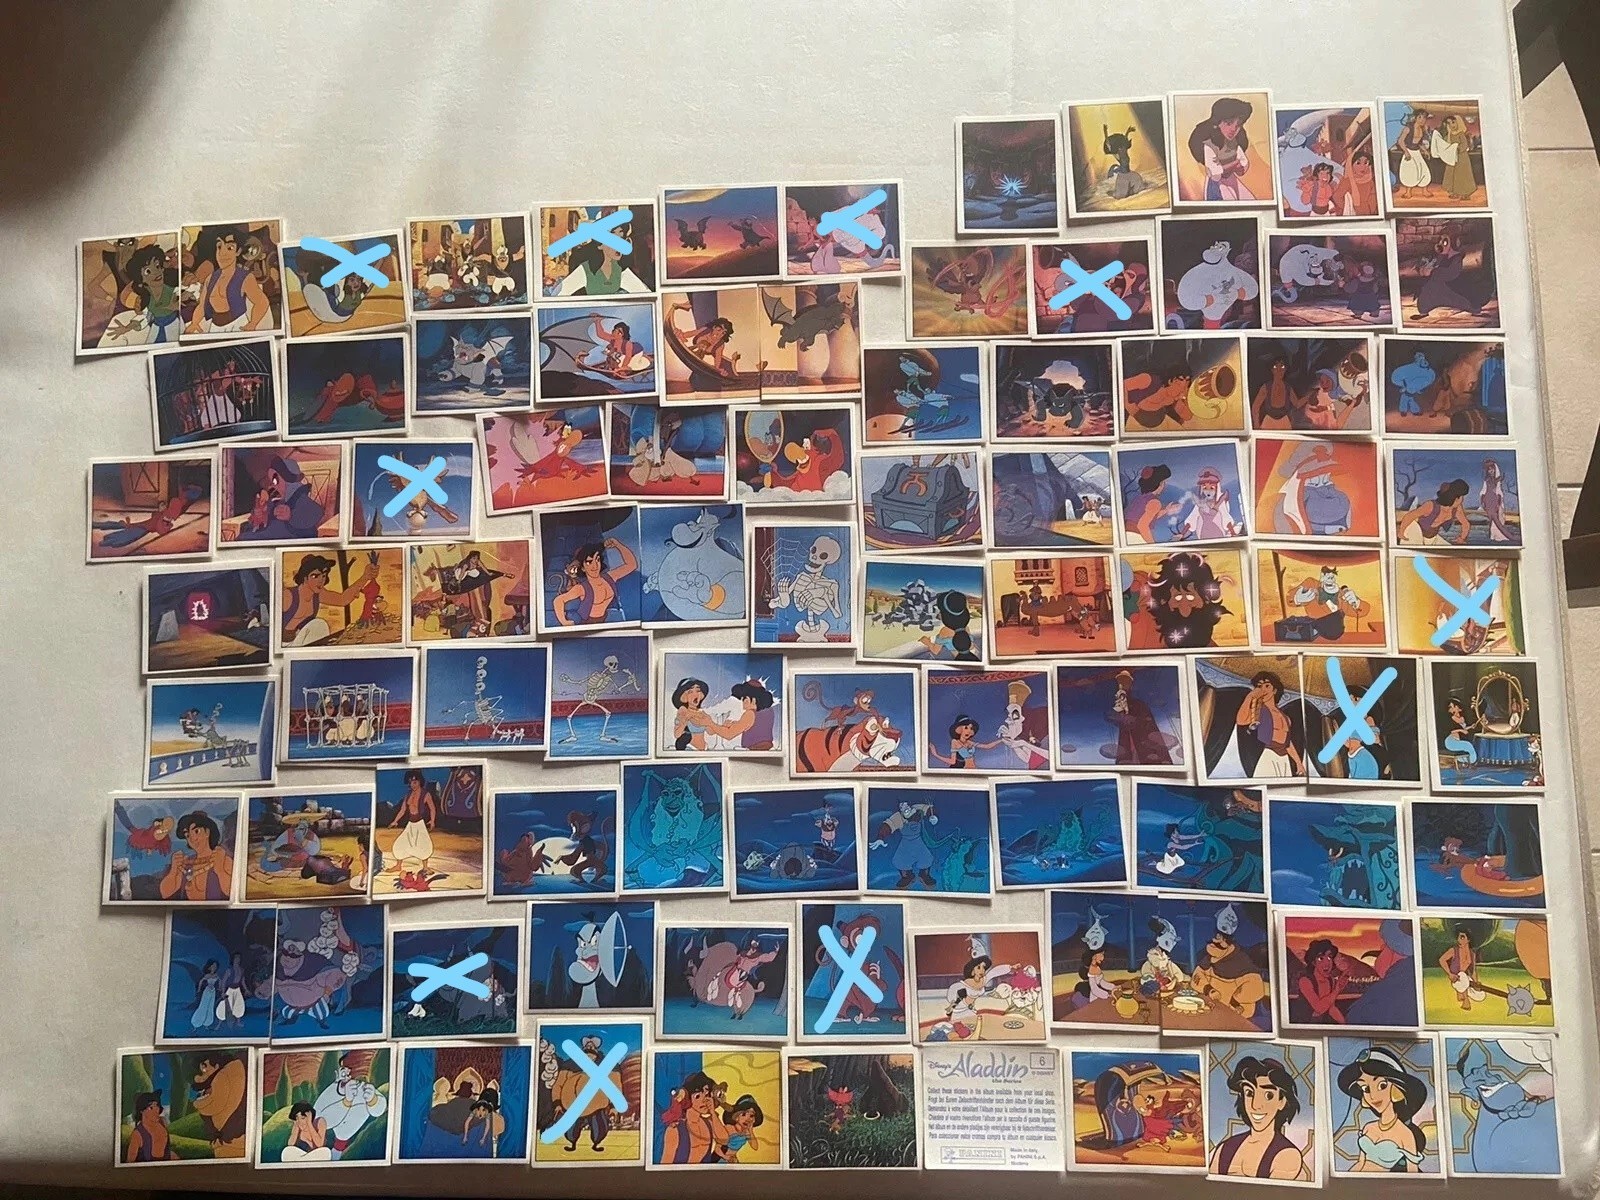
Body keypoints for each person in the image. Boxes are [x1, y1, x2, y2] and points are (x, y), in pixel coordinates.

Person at [1209, 1056, 1309, 1180]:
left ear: (1282, 1101)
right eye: (1249, 1093)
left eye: (1268, 1095)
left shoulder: (1288, 1155)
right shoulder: (1224, 1148)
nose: (1255, 1105)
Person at [1337, 1044, 1430, 1172]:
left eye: (1382, 1085)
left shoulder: (1406, 1135)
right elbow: (1360, 1163)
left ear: (1396, 1089)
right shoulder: (1368, 1128)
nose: (1373, 1096)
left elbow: (1412, 1174)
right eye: (1366, 1089)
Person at [186, 224, 273, 334]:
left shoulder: (245, 277)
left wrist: (253, 323)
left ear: (238, 251)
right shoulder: (210, 278)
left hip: (238, 325)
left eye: (229, 248)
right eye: (219, 247)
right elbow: (202, 306)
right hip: (215, 328)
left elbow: (262, 302)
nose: (222, 253)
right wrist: (194, 323)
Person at [281, 553, 380, 648]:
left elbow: (342, 599)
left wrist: (366, 576)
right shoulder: (288, 596)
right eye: (315, 576)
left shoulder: (318, 594)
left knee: (319, 625)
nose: (321, 580)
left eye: (323, 575)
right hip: (281, 645)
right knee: (318, 624)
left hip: (298, 642)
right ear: (304, 577)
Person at [237, 455, 326, 542]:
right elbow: (268, 512)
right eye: (272, 482)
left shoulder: (301, 498)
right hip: (273, 533)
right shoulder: (278, 499)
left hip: (293, 536)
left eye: (275, 480)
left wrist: (291, 516)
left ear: (288, 479)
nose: (273, 485)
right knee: (245, 534)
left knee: (246, 538)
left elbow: (317, 512)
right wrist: (262, 513)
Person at [553, 538, 639, 627]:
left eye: (597, 560)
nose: (595, 565)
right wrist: (564, 622)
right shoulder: (582, 588)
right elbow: (558, 600)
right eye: (589, 562)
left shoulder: (609, 577)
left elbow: (632, 565)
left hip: (608, 619)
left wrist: (618, 545)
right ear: (583, 567)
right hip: (590, 624)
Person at [1188, 97, 1257, 201]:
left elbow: (1243, 163)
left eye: (1238, 125)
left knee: (1250, 201)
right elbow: (1215, 173)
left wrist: (1240, 167)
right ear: (1218, 123)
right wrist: (1234, 164)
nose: (1233, 129)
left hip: (1233, 181)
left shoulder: (1235, 143)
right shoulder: (1209, 145)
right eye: (1228, 123)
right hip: (1217, 186)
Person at [159, 811, 234, 901]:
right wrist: (173, 870)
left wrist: (220, 870)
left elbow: (231, 892)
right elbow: (165, 893)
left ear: (207, 832)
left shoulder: (223, 860)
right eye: (187, 835)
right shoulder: (186, 864)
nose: (192, 838)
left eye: (196, 831)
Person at [387, 769, 438, 891]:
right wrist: (395, 821)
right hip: (410, 823)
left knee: (424, 844)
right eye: (410, 782)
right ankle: (398, 865)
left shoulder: (426, 794)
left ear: (420, 781)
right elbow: (403, 810)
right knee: (400, 843)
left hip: (420, 823)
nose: (412, 785)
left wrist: (432, 821)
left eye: (415, 782)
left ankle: (425, 867)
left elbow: (432, 808)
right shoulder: (408, 795)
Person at [1396, 480, 1472, 545]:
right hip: (1416, 531)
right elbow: (1410, 516)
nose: (1462, 499)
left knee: (1451, 552)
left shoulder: (1457, 508)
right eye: (1461, 497)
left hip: (1432, 538)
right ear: (1454, 497)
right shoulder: (1430, 505)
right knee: (1416, 553)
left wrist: (1462, 538)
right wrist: (1401, 532)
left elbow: (1465, 524)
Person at [1295, 938, 1353, 1023]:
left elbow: (1331, 1008)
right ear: (1313, 962)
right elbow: (1319, 1008)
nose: (1327, 963)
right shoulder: (1305, 981)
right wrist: (1336, 990)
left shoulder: (1330, 980)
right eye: (1321, 958)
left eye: (1329, 957)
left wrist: (1345, 1024)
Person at [1440, 928, 1487, 1011]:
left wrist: (1476, 982)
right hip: (1456, 978)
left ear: (1468, 939)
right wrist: (1450, 974)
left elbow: (1473, 970)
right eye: (1458, 937)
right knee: (1462, 975)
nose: (1459, 940)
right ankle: (1466, 1001)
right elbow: (1442, 960)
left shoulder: (1472, 953)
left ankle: (1461, 993)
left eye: (1462, 937)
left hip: (1466, 979)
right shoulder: (1454, 950)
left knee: (1481, 995)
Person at [126, 1091, 176, 1162]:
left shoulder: (162, 1122)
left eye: (157, 1106)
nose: (156, 1110)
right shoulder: (137, 1134)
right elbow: (130, 1162)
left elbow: (167, 1152)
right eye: (151, 1107)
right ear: (141, 1110)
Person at [1394, 111, 1431, 200]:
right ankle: (1408, 192)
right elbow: (1400, 141)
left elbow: (1420, 143)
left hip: (1417, 152)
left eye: (1424, 118)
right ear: (1415, 118)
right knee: (1409, 171)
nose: (1422, 120)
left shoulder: (1422, 129)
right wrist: (1406, 152)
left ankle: (1425, 191)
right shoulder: (1408, 128)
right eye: (1420, 117)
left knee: (1424, 170)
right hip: (1409, 151)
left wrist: (1425, 151)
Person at [191, 959, 221, 1030]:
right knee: (203, 1005)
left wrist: (219, 988)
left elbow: (220, 980)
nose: (214, 967)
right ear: (209, 967)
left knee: (210, 1007)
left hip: (213, 992)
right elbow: (201, 981)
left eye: (215, 966)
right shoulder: (207, 975)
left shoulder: (216, 975)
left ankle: (207, 1023)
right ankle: (196, 1024)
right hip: (207, 991)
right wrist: (199, 989)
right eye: (213, 966)